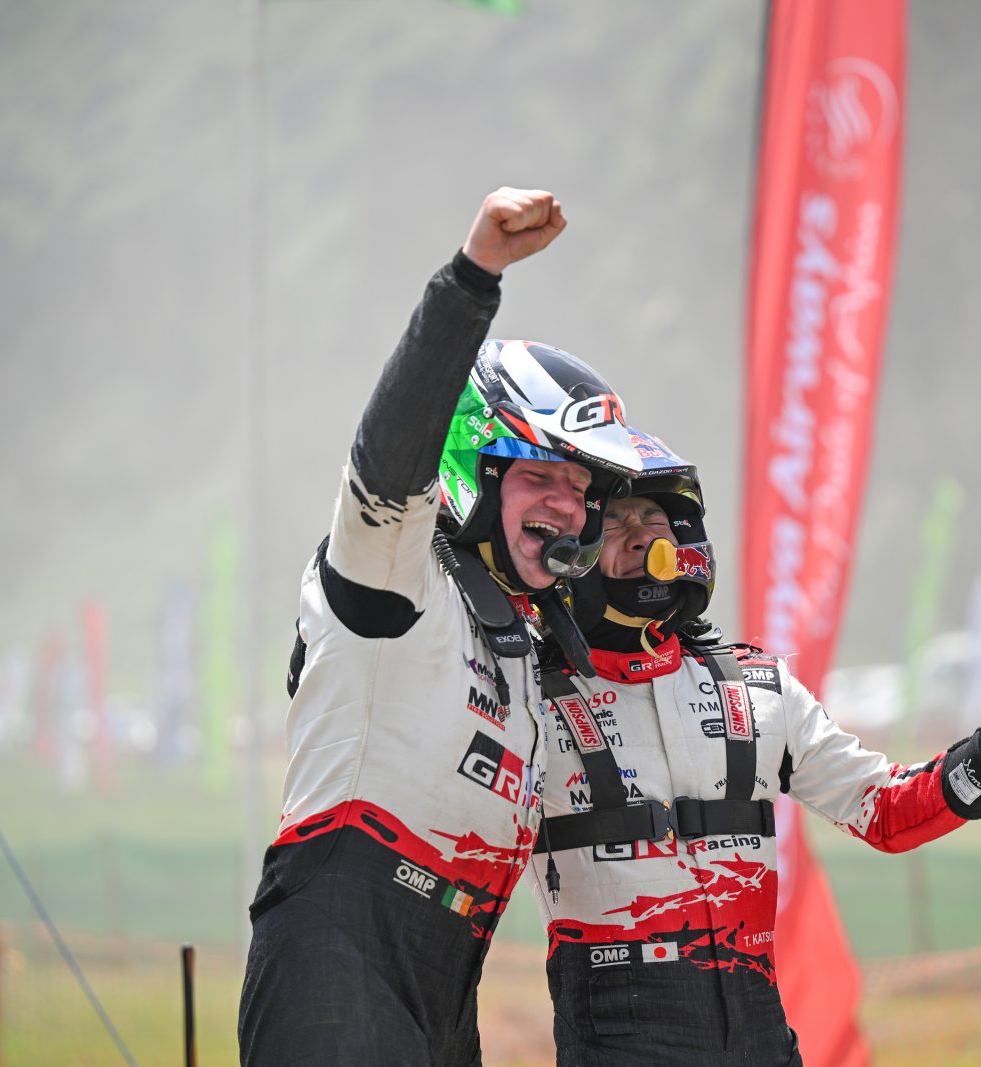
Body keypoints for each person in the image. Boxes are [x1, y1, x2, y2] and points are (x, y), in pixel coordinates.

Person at [238, 187, 643, 1065]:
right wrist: (473, 276)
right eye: (541, 476)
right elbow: (388, 453)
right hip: (334, 958)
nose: (567, 506)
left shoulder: (525, 635)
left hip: (448, 983)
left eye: (581, 488)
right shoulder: (397, 564)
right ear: (474, 466)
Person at [529, 428, 981, 1065]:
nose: (641, 536)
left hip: (762, 1036)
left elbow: (883, 809)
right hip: (617, 1040)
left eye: (654, 519)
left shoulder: (759, 687)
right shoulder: (526, 696)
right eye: (615, 521)